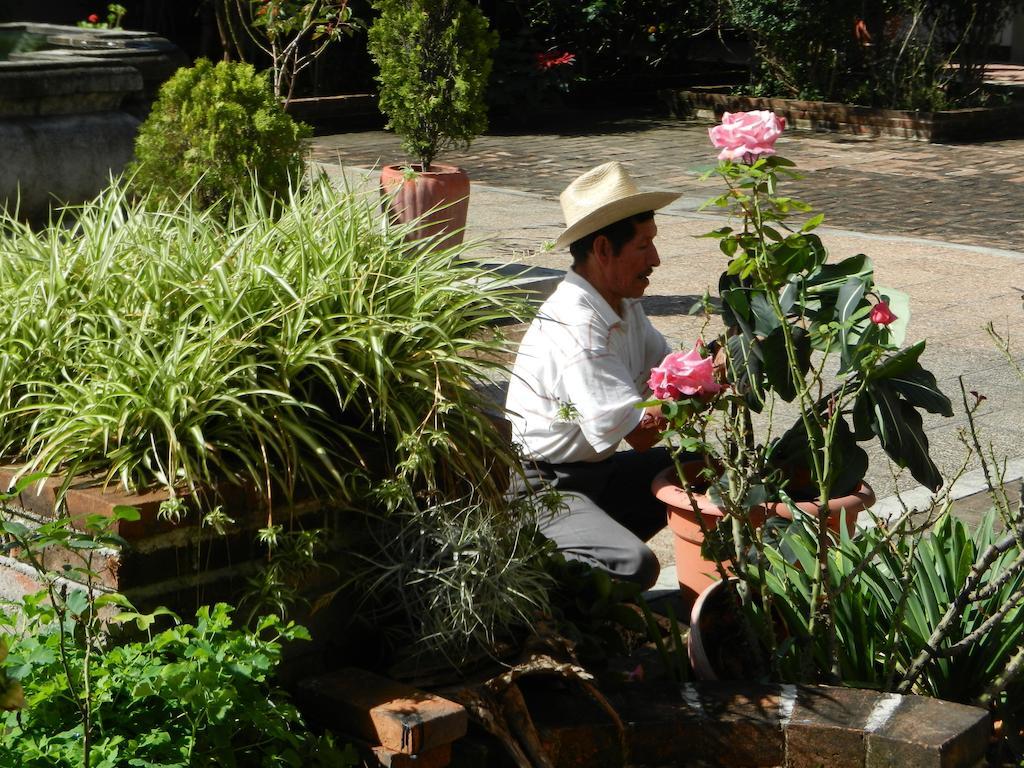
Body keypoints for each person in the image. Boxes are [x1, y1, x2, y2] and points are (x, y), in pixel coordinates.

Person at [505, 161, 681, 590]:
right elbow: (641, 433)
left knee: (697, 469)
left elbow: (668, 370)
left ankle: (592, 553)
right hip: (543, 488)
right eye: (643, 246)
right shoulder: (578, 328)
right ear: (603, 249)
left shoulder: (623, 304)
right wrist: (703, 383)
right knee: (634, 565)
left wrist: (710, 369)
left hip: (594, 474)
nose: (655, 259)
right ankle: (535, 581)